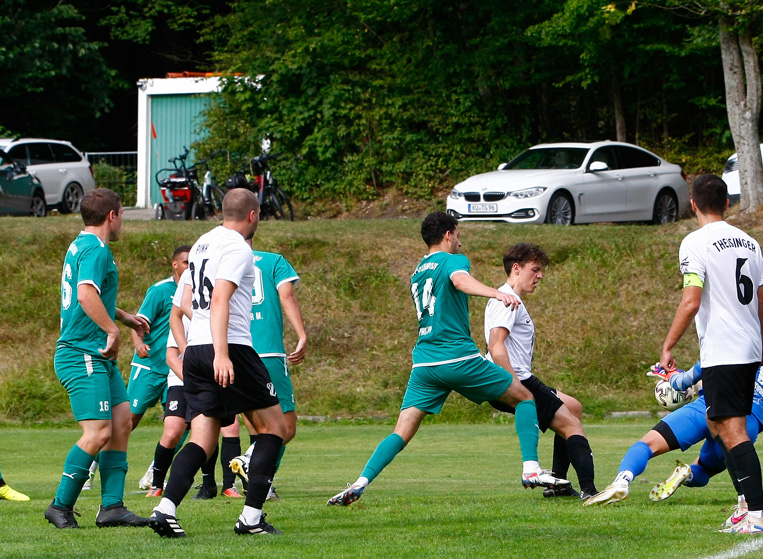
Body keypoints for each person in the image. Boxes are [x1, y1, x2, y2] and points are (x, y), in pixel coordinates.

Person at [327, 212, 569, 506]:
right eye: (458, 235)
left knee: (401, 432)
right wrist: (495, 293)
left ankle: (360, 482)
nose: (460, 241)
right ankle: (531, 470)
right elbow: (460, 281)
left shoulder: (418, 270)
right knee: (524, 397)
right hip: (457, 357)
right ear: (448, 235)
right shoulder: (454, 260)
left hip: (425, 364)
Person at [148, 188, 288, 537]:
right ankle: (251, 518)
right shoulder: (239, 247)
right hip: (229, 347)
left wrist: (197, 345)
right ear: (253, 215)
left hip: (195, 349)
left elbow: (187, 303)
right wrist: (222, 352)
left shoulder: (200, 244)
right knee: (276, 428)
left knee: (202, 438)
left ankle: (165, 509)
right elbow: (221, 297)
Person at [654, 174, 763, 533]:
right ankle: (745, 509)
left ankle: (757, 514)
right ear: (727, 203)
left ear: (692, 205)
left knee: (732, 429)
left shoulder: (694, 243)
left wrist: (669, 345)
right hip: (748, 346)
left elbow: (691, 301)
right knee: (721, 425)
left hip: (724, 349)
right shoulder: (750, 243)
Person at [45, 188, 151, 529]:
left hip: (94, 354)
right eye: (122, 216)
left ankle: (112, 507)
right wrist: (112, 331)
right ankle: (60, 506)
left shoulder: (81, 244)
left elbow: (93, 297)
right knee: (98, 432)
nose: (123, 223)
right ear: (113, 216)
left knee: (120, 424)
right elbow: (86, 294)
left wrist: (125, 318)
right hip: (82, 353)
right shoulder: (97, 249)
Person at [586, 361, 763, 529]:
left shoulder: (729, 344)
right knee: (706, 468)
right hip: (747, 422)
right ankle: (691, 476)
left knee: (646, 445)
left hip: (705, 407)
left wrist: (671, 375)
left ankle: (622, 481)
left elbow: (684, 381)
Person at [484, 243, 597, 500]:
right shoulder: (507, 301)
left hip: (516, 378)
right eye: (534, 269)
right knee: (572, 425)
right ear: (516, 268)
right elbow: (496, 345)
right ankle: (590, 492)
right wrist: (514, 384)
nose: (540, 276)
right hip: (517, 380)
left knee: (574, 407)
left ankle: (556, 485)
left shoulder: (507, 298)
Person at [227, 242, 308, 500]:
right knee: (286, 426)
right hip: (268, 353)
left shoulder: (222, 261)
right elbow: (287, 296)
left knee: (256, 425)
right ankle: (251, 461)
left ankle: (260, 483)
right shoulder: (274, 261)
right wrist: (302, 335)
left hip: (236, 351)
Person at [122, 245, 191, 491]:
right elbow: (137, 322)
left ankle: (154, 471)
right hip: (150, 367)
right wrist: (139, 343)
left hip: (177, 370)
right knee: (128, 421)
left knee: (182, 424)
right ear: (174, 264)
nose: (189, 266)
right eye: (185, 262)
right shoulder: (160, 290)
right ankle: (92, 468)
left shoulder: (199, 291)